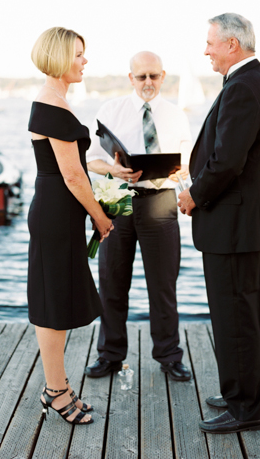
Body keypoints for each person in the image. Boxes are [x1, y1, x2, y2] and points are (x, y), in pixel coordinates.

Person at [177, 13, 260, 434]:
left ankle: (245, 409)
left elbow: (227, 162)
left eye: (210, 43)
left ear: (232, 45)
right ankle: (243, 392)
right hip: (246, 224)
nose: (206, 50)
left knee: (236, 317)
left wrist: (193, 194)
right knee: (246, 315)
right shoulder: (256, 82)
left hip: (235, 226)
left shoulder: (243, 87)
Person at [83, 51, 193, 382]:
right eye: (141, 76)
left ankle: (169, 356)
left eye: (154, 76)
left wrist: (176, 172)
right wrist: (114, 168)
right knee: (112, 283)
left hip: (160, 200)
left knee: (163, 285)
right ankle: (110, 355)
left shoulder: (176, 115)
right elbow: (89, 160)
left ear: (163, 76)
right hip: (117, 199)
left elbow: (188, 162)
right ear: (131, 78)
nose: (148, 83)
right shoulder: (109, 111)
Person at [28, 27, 113, 426]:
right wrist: (99, 216)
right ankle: (56, 392)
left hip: (58, 212)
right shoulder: (52, 105)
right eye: (79, 54)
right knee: (52, 305)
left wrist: (111, 169)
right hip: (56, 214)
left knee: (57, 300)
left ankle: (56, 386)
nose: (84, 61)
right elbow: (73, 177)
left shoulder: (56, 103)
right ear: (61, 58)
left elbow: (79, 163)